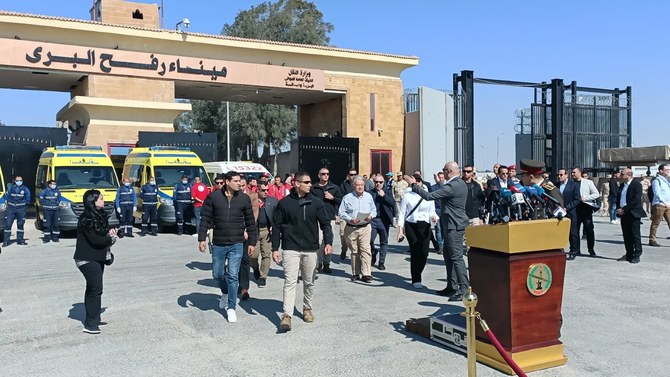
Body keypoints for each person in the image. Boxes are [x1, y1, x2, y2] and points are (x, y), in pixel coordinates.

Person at [272, 171, 333, 331]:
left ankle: (307, 308)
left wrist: (328, 242)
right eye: (306, 182)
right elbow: (277, 227)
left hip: (311, 248)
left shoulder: (317, 203)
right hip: (290, 248)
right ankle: (287, 315)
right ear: (296, 184)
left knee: (309, 281)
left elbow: (325, 224)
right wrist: (275, 248)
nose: (310, 184)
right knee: (290, 281)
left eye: (310, 182)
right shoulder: (284, 203)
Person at [404, 161, 469, 301]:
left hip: (454, 225)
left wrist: (413, 185)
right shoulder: (459, 183)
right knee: (448, 256)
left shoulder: (453, 185)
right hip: (450, 224)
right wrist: (439, 183)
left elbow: (429, 196)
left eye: (444, 170)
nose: (443, 172)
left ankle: (463, 289)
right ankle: (452, 287)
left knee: (456, 258)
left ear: (449, 171)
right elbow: (446, 190)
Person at [198, 171, 256, 323]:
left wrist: (252, 242)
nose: (239, 183)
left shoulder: (244, 198)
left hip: (237, 243)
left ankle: (231, 307)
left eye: (240, 181)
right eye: (236, 181)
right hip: (218, 243)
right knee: (217, 274)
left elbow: (250, 222)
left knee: (232, 276)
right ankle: (224, 292)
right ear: (227, 181)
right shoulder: (214, 197)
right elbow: (205, 218)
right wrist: (201, 238)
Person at [74, 189, 118, 334]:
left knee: (93, 289)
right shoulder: (86, 218)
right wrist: (109, 239)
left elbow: (101, 234)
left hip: (97, 257)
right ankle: (90, 325)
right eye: (100, 198)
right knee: (95, 290)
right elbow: (95, 239)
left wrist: (110, 233)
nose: (103, 200)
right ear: (92, 201)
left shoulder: (100, 215)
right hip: (86, 259)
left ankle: (94, 318)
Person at [397, 174, 438, 289]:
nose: (418, 183)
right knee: (415, 251)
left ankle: (418, 271)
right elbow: (402, 213)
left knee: (424, 253)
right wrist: (400, 230)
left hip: (425, 225)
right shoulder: (407, 195)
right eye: (416, 181)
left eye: (420, 180)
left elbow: (432, 211)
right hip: (411, 225)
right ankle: (416, 278)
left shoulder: (428, 195)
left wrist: (434, 217)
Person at [338, 175, 376, 282]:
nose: (360, 187)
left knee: (365, 250)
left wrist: (371, 216)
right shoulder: (347, 197)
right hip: (351, 228)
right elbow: (341, 212)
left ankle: (366, 273)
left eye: (362, 185)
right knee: (355, 251)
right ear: (353, 186)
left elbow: (374, 210)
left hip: (365, 227)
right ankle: (355, 273)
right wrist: (350, 219)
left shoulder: (368, 196)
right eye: (358, 185)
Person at [310, 167, 343, 274]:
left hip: (330, 218)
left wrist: (332, 198)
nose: (325, 176)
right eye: (323, 174)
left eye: (327, 174)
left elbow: (341, 201)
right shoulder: (313, 188)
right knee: (319, 241)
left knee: (328, 241)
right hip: (317, 219)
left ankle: (327, 264)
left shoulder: (334, 187)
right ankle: (318, 263)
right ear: (319, 175)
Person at [616, 168, 646, 264]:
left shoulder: (636, 185)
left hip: (633, 212)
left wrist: (624, 209)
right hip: (623, 213)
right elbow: (618, 198)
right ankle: (629, 253)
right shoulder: (622, 185)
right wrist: (618, 208)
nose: (620, 175)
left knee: (635, 234)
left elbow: (636, 200)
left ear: (628, 174)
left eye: (622, 173)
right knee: (626, 234)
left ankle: (637, 254)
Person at [251, 181, 278, 287]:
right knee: (253, 255)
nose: (266, 192)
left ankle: (263, 277)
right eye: (263, 190)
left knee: (266, 255)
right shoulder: (251, 201)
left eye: (267, 190)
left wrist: (274, 226)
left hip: (267, 230)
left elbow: (277, 216)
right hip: (254, 231)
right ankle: (255, 268)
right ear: (257, 190)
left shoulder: (273, 201)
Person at [368, 174, 396, 270]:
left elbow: (393, 203)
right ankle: (373, 251)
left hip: (384, 220)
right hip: (373, 220)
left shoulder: (387, 192)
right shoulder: (369, 193)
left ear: (383, 183)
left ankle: (381, 262)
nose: (378, 184)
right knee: (369, 240)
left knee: (384, 242)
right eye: (376, 182)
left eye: (380, 182)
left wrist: (384, 196)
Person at [572, 166, 600, 257]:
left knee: (589, 229)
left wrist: (586, 198)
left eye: (574, 172)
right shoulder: (571, 184)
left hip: (586, 209)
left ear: (580, 173)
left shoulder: (588, 182)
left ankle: (591, 249)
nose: (572, 174)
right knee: (575, 231)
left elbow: (596, 194)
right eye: (572, 173)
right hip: (575, 209)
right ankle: (576, 249)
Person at [560, 167, 585, 260]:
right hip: (559, 212)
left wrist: (567, 207)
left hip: (570, 211)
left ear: (566, 175)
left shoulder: (573, 185)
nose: (559, 176)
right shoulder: (557, 185)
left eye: (561, 175)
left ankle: (574, 250)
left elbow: (577, 199)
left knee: (573, 232)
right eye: (558, 175)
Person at [3, 175, 30, 246]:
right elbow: (6, 197)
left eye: (21, 180)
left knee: (20, 225)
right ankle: (6, 241)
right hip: (11, 209)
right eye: (18, 180)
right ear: (15, 181)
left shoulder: (25, 189)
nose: (19, 182)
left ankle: (20, 240)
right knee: (8, 224)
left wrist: (23, 205)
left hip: (21, 209)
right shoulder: (10, 188)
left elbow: (28, 199)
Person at [338, 168, 357, 260]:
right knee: (342, 233)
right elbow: (340, 199)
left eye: (354, 174)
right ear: (348, 175)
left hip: (356, 214)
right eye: (351, 174)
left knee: (355, 234)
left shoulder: (359, 185)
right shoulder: (343, 185)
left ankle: (354, 250)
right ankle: (344, 248)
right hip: (345, 214)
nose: (353, 176)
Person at [649, 164, 670, 247]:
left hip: (668, 204)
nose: (668, 171)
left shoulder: (666, 181)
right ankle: (652, 240)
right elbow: (657, 193)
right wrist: (665, 203)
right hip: (659, 204)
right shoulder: (657, 181)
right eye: (667, 169)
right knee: (656, 222)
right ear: (661, 171)